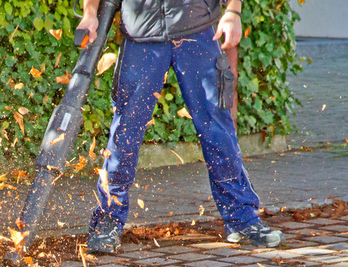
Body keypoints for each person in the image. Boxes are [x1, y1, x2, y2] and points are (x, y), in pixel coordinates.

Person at [78, 0, 284, 253]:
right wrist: (90, 14)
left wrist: (233, 12)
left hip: (197, 30)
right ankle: (108, 220)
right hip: (142, 36)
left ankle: (242, 219)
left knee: (218, 131)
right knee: (125, 135)